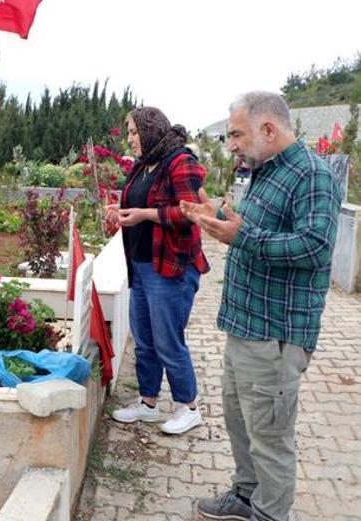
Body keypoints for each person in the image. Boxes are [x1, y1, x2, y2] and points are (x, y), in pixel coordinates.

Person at [181, 91, 342, 521]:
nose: (230, 143)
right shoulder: (265, 172)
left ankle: (270, 514)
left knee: (270, 437)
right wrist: (217, 212)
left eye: (236, 133)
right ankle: (246, 495)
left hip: (276, 335)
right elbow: (258, 227)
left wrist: (241, 236)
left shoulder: (312, 175)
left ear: (269, 129)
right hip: (246, 326)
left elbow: (315, 246)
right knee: (241, 424)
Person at [106, 106, 210, 435]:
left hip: (170, 266)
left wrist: (145, 215)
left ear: (152, 130)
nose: (131, 139)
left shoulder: (180, 162)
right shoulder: (143, 166)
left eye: (135, 132)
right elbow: (138, 204)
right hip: (141, 263)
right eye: (130, 133)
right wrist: (119, 210)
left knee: (168, 341)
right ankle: (148, 403)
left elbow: (189, 212)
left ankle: (188, 406)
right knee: (145, 340)